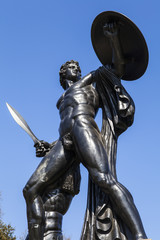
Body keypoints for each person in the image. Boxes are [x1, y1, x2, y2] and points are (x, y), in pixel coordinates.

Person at [23, 23, 148, 240]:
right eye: (71, 66)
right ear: (63, 74)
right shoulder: (60, 100)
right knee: (30, 189)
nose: (76, 67)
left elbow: (116, 69)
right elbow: (64, 125)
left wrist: (113, 39)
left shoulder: (89, 82)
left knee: (105, 180)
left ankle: (139, 235)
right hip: (64, 141)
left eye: (77, 65)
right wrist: (49, 146)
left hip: (84, 128)